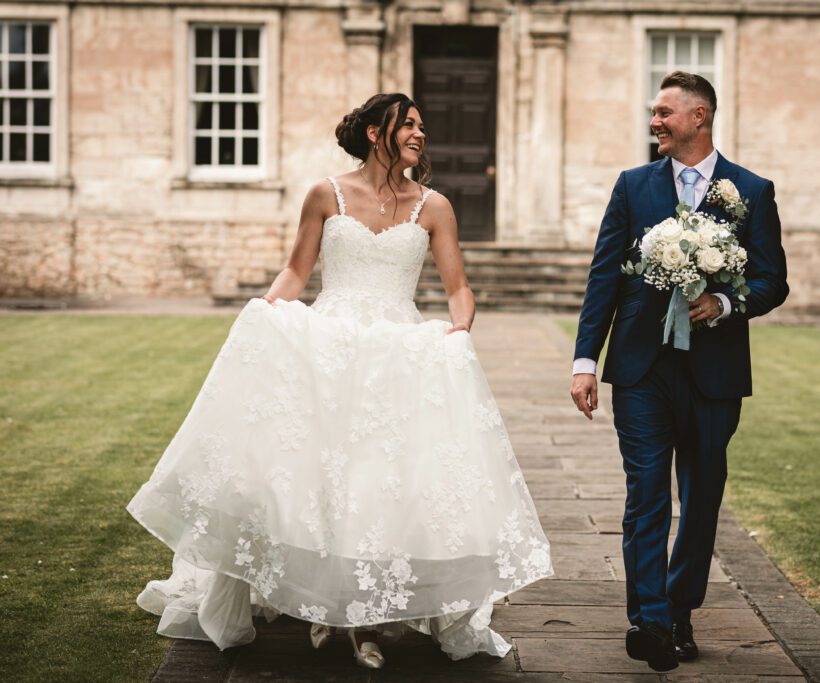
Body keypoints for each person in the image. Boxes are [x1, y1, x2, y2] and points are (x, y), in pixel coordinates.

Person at [128, 93, 552, 670]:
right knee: (320, 478)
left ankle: (370, 621)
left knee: (382, 483)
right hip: (327, 349)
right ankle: (324, 607)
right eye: (410, 126)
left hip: (397, 354)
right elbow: (297, 270)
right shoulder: (324, 194)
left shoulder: (435, 206)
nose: (421, 135)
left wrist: (459, 330)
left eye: (423, 127)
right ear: (378, 132)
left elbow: (458, 285)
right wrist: (266, 313)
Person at [569, 72, 788, 672]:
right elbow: (604, 276)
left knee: (701, 496)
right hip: (640, 367)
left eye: (664, 112)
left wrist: (724, 303)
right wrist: (586, 359)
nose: (654, 122)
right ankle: (651, 621)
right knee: (645, 496)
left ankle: (680, 609)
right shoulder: (633, 186)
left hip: (714, 374)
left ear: (700, 117)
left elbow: (772, 281)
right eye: (653, 113)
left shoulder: (752, 191)